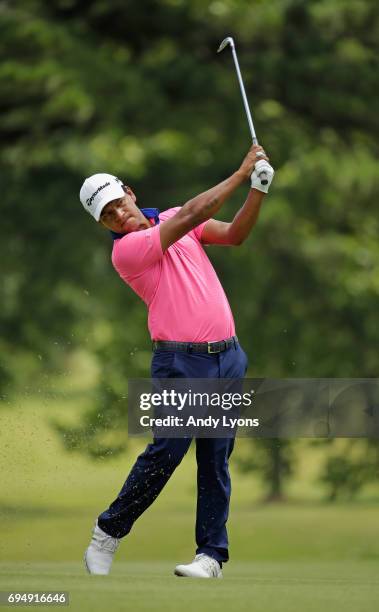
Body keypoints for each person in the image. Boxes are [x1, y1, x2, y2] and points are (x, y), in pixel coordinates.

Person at [79, 145, 274, 578]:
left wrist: (258, 190)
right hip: (180, 364)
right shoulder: (127, 251)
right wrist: (242, 171)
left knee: (215, 458)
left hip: (228, 357)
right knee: (166, 453)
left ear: (129, 193)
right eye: (107, 216)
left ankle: (211, 556)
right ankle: (107, 533)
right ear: (102, 225)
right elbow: (191, 213)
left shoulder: (171, 219)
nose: (118, 216)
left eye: (118, 204)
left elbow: (235, 235)